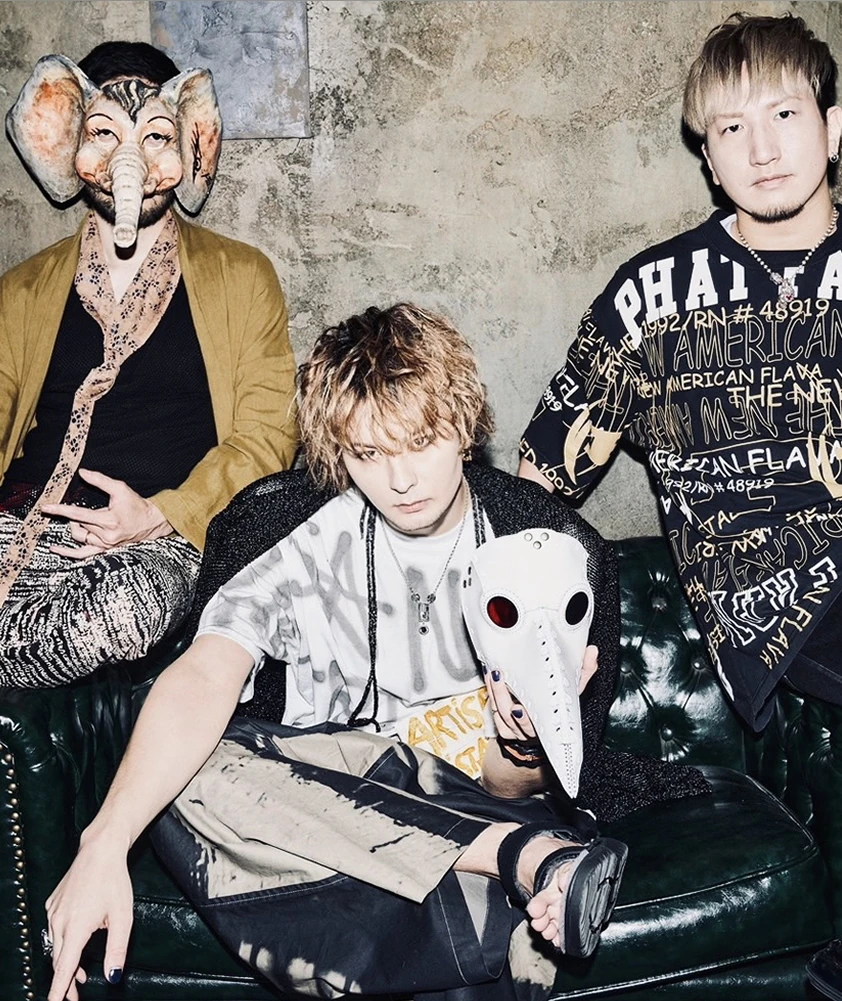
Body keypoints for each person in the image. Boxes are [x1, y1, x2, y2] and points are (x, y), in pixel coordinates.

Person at [42, 303, 707, 1001]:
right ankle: (517, 867)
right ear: (339, 452)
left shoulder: (547, 548)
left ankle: (489, 882)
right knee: (191, 769)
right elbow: (206, 672)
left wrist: (524, 742)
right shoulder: (286, 530)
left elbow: (524, 786)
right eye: (369, 454)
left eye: (420, 442)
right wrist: (103, 843)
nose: (401, 480)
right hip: (324, 802)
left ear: (464, 427)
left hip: (466, 800)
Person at [517, 13, 842, 996]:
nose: (762, 147)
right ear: (706, 154)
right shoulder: (650, 298)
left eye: (784, 114)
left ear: (832, 125)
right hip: (777, 594)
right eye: (731, 128)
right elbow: (536, 484)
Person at [0, 41, 297, 686]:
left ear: (191, 144)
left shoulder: (243, 278)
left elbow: (268, 435)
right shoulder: (21, 290)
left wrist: (164, 513)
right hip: (23, 517)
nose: (129, 158)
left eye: (156, 136)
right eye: (104, 134)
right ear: (67, 142)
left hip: (157, 538)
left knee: (107, 621)